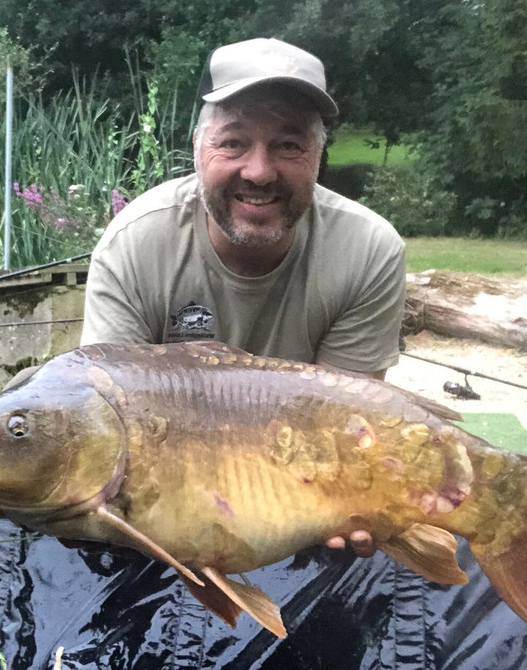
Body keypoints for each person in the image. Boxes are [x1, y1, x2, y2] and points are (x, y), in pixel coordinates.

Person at [81, 37, 407, 555]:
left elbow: (345, 431)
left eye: (288, 145)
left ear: (318, 157)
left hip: (304, 497)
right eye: (233, 143)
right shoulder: (134, 244)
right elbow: (107, 420)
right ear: (197, 148)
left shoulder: (368, 250)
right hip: (162, 496)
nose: (259, 171)